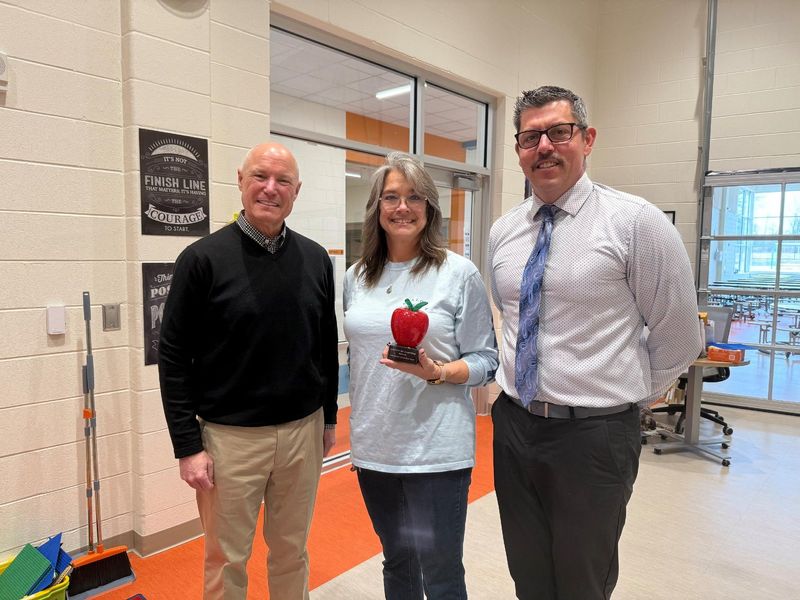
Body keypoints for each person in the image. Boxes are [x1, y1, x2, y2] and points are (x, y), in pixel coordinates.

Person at [488, 86, 703, 600]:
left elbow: (679, 335)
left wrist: (621, 399)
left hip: (594, 436)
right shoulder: (504, 231)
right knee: (528, 574)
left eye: (558, 132)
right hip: (515, 425)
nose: (544, 146)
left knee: (583, 580)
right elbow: (511, 316)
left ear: (587, 139)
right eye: (530, 137)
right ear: (518, 150)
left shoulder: (635, 223)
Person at [158, 142, 339, 600]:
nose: (270, 188)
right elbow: (173, 357)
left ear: (297, 191)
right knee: (226, 559)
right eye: (260, 176)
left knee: (292, 551)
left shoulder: (316, 258)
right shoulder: (201, 260)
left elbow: (324, 344)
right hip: (229, 441)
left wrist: (329, 418)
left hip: (302, 433)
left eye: (283, 181)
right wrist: (187, 446)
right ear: (241, 180)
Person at [343, 152, 498, 600]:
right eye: (391, 197)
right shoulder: (357, 277)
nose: (402, 207)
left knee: (441, 572)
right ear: (377, 207)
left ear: (429, 208)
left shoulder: (457, 273)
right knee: (397, 562)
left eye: (414, 197)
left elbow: (486, 360)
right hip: (375, 448)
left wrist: (438, 372)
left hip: (436, 452)